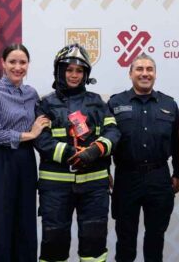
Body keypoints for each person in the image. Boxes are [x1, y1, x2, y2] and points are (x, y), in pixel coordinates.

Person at [34, 43, 120, 262]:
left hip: (94, 186)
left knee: (94, 241)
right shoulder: (45, 104)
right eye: (69, 69)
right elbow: (41, 139)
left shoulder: (98, 103)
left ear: (86, 74)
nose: (74, 75)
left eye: (79, 70)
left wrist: (95, 150)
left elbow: (113, 131)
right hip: (55, 187)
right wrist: (70, 153)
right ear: (60, 71)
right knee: (54, 241)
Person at [107, 53, 179, 262]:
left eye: (149, 69)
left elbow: (177, 143)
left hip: (159, 177)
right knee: (125, 240)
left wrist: (178, 173)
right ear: (130, 74)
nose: (144, 73)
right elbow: (105, 139)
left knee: (155, 240)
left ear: (155, 74)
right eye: (139, 69)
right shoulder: (115, 103)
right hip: (126, 177)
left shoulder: (169, 104)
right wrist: (105, 172)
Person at [0, 43, 50, 261]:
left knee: (26, 223)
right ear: (3, 63)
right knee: (0, 224)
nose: (18, 67)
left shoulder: (32, 94)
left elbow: (43, 123)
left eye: (22, 62)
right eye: (12, 61)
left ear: (28, 65)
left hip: (26, 161)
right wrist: (28, 135)